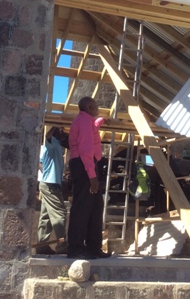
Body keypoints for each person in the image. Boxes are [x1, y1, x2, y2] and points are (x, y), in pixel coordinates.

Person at [66, 97, 111, 259]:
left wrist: (101, 120)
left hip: (88, 164)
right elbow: (85, 149)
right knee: (82, 207)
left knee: (95, 207)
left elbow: (93, 128)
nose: (98, 108)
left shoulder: (87, 121)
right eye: (97, 106)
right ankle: (76, 248)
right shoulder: (84, 121)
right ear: (91, 107)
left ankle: (94, 247)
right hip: (84, 165)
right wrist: (92, 176)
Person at [35, 126, 69, 255]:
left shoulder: (58, 147)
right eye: (62, 132)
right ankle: (62, 245)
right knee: (60, 213)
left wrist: (46, 172)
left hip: (48, 183)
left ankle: (42, 246)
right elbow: (48, 136)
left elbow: (40, 163)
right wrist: (54, 130)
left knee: (46, 217)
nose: (64, 134)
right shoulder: (52, 143)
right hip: (50, 184)